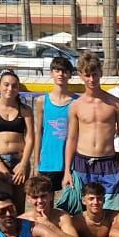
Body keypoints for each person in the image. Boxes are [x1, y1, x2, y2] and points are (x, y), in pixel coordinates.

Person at [65, 52, 119, 210]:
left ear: (101, 73)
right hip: (82, 163)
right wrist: (67, 170)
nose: (92, 79)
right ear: (81, 76)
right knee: (81, 211)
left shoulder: (115, 103)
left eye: (95, 74)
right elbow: (72, 138)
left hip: (108, 163)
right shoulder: (76, 105)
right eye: (87, 75)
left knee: (112, 211)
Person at [0, 69, 36, 203]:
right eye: (6, 84)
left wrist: (23, 163)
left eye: (14, 85)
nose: (10, 88)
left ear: (18, 88)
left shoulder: (25, 110)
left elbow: (30, 138)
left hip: (20, 159)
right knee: (4, 203)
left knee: (19, 205)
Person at [34, 55, 79, 194]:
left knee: (71, 205)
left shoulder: (77, 102)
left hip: (71, 162)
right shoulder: (42, 101)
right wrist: (36, 163)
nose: (61, 74)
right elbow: (39, 133)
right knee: (46, 203)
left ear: (70, 75)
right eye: (57, 70)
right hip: (48, 162)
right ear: (51, 73)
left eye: (64, 71)